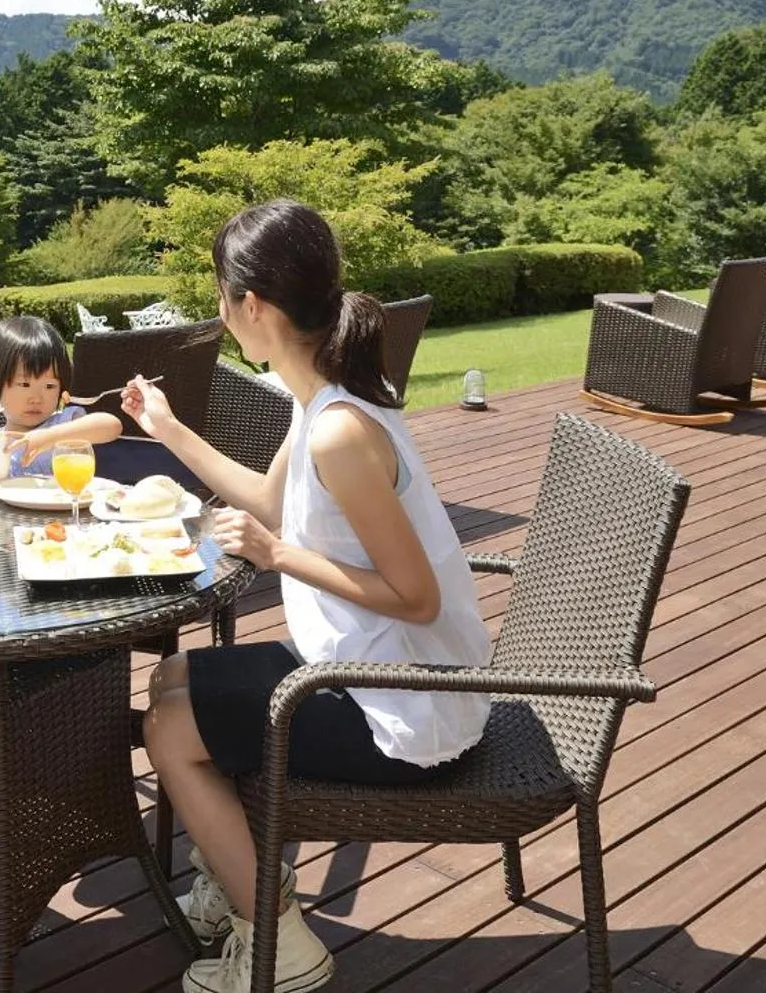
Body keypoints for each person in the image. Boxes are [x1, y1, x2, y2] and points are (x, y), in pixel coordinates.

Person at [122, 199, 492, 993]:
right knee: (171, 678)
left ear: (253, 305)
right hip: (364, 665)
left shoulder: (339, 430)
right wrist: (168, 429)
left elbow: (417, 597)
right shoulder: (320, 395)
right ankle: (238, 875)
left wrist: (277, 554)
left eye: (221, 294)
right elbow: (267, 499)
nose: (220, 311)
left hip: (405, 706)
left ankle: (277, 942)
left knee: (168, 731)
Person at [0, 314, 124, 483]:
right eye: (24, 384)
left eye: (49, 386)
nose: (36, 398)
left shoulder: (65, 423)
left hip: (61, 507)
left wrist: (48, 437)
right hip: (6, 509)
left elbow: (111, 425)